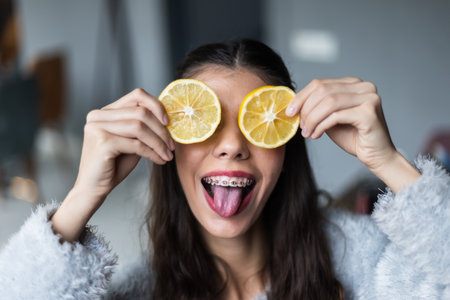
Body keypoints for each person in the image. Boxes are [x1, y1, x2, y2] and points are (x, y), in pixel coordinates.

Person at [0, 39, 448, 300]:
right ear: (168, 141)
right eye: (205, 124)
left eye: (256, 124)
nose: (232, 146)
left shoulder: (358, 260)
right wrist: (82, 197)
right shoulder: (141, 291)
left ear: (287, 144)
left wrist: (387, 162)